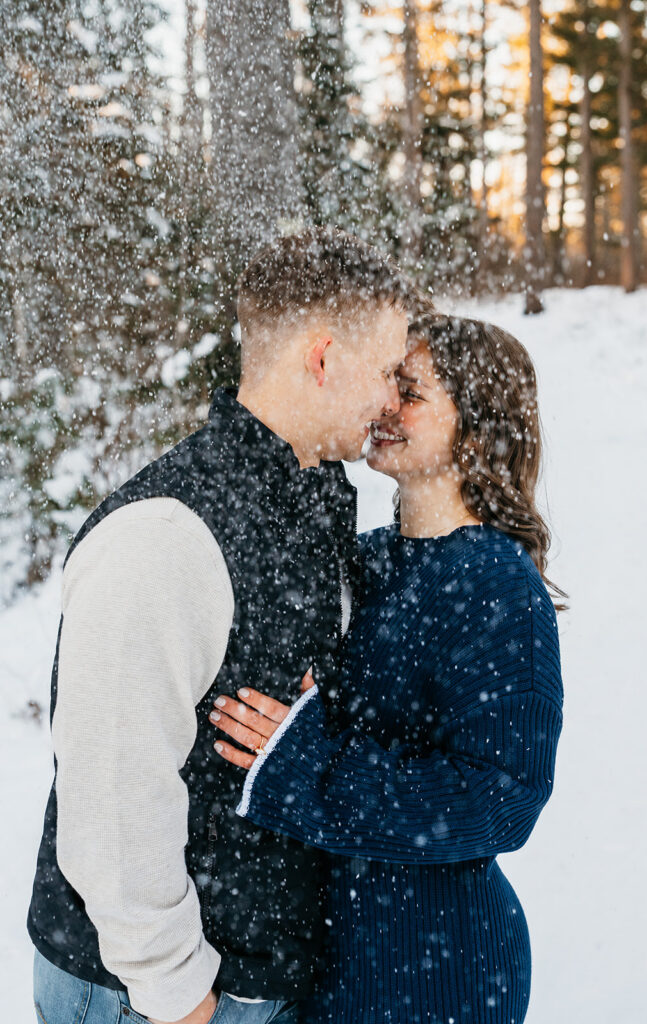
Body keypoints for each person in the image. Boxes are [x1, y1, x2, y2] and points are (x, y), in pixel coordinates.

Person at [28, 228, 424, 1024]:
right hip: (148, 996)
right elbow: (112, 792)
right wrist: (178, 992)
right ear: (321, 359)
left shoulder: (311, 501)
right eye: (385, 370)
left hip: (254, 972)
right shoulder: (167, 532)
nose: (391, 397)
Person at [210, 314, 565, 1024]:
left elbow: (501, 797)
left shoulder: (495, 582)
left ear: (477, 425)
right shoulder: (368, 560)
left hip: (435, 971)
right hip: (338, 952)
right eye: (386, 385)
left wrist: (305, 768)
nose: (385, 407)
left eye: (412, 392)